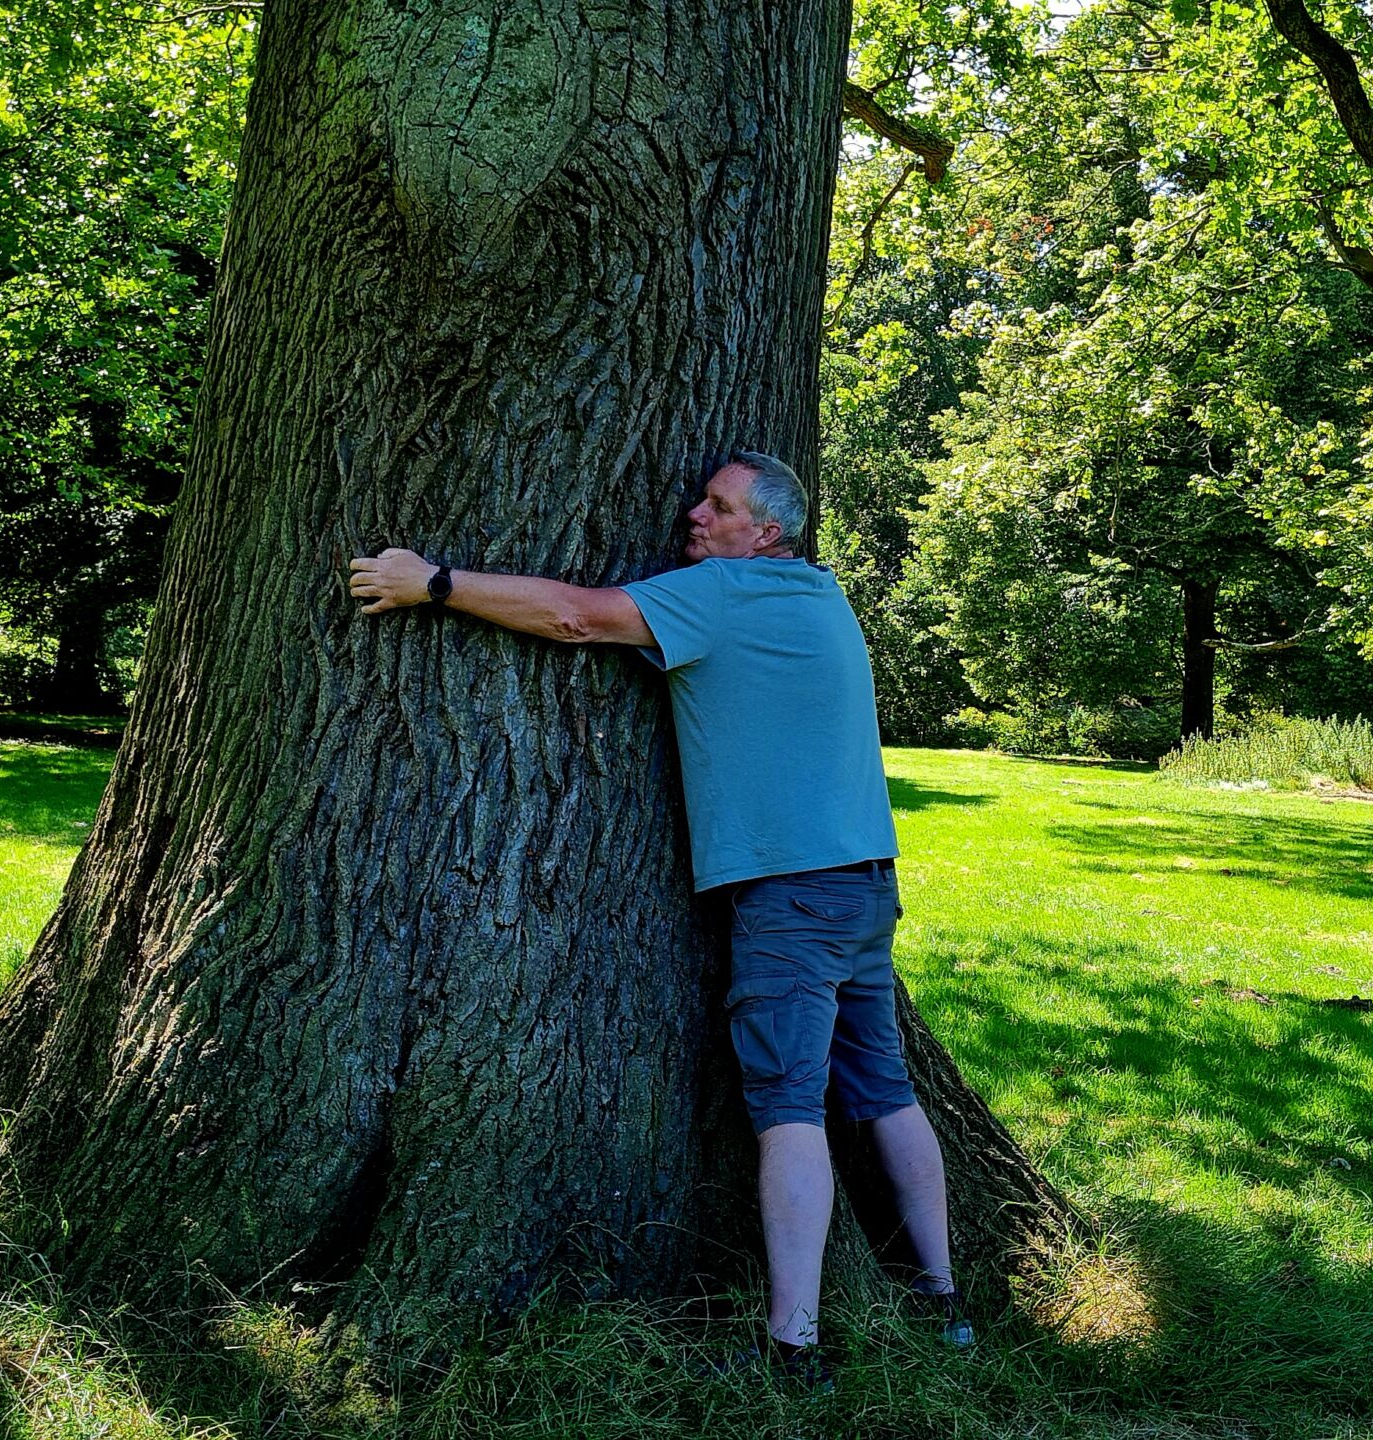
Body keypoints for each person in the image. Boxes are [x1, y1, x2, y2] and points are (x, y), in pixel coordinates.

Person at [346, 451, 969, 1379]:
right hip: (863, 885)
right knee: (881, 1089)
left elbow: (573, 616)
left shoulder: (723, 593)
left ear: (763, 533)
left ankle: (794, 1342)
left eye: (718, 507)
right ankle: (942, 1293)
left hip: (790, 892)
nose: (694, 513)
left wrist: (434, 583)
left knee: (790, 1105)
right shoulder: (818, 594)